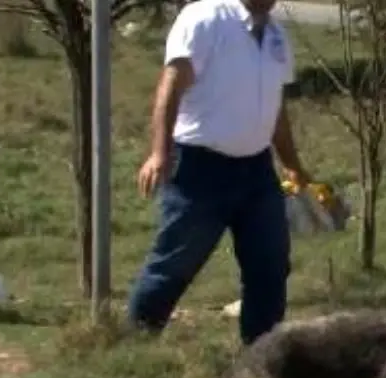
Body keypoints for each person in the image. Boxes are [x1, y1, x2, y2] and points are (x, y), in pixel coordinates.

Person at [127, 0, 313, 346]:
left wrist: (292, 163)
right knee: (174, 266)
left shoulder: (276, 36)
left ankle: (262, 361)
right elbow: (171, 86)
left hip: (257, 171)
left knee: (270, 268)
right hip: (200, 170)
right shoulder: (206, 18)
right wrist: (159, 152)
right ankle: (132, 347)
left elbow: (276, 109)